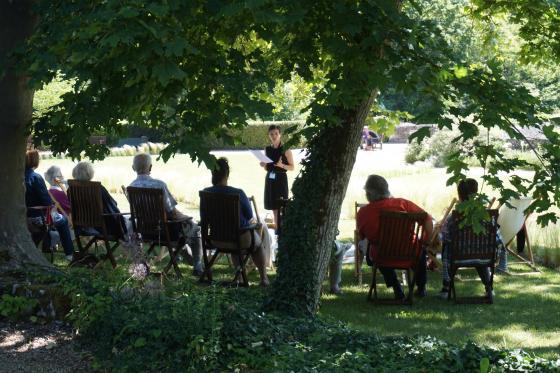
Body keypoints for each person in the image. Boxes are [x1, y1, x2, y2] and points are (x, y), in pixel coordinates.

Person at [357, 175, 433, 299]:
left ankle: (396, 287)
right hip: (408, 253)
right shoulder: (403, 204)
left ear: (369, 193)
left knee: (375, 252)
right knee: (420, 249)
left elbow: (363, 237)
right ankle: (421, 287)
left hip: (383, 256)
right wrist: (427, 239)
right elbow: (427, 218)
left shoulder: (364, 213)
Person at [129, 153, 204, 275]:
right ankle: (197, 267)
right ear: (150, 167)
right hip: (165, 232)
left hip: (145, 232)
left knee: (183, 232)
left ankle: (188, 259)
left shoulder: (131, 187)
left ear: (133, 168)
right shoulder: (159, 185)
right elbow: (173, 213)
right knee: (195, 228)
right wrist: (187, 217)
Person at [201, 157, 269, 286]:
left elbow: (204, 218)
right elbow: (250, 216)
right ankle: (263, 278)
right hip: (239, 240)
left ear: (213, 174)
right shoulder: (238, 193)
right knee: (257, 244)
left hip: (216, 239)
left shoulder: (205, 193)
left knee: (237, 236)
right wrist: (255, 225)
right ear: (227, 174)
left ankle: (240, 277)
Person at [439, 178, 506, 299]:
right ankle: (489, 287)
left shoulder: (453, 217)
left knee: (446, 247)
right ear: (476, 194)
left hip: (458, 257)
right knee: (480, 257)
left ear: (459, 195)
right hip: (482, 257)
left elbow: (445, 237)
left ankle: (446, 288)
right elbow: (497, 238)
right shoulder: (486, 215)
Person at [24, 150, 75, 261]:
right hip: (36, 217)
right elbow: (46, 202)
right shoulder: (35, 177)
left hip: (22, 215)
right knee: (63, 221)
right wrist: (53, 205)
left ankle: (48, 246)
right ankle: (70, 255)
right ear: (35, 161)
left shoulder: (17, 177)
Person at [71, 161, 128, 239]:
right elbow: (112, 204)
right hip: (102, 228)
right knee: (123, 220)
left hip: (82, 227)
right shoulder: (97, 188)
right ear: (89, 173)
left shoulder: (71, 189)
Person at [260, 125, 294, 232]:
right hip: (270, 179)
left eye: (276, 133)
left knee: (281, 205)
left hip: (281, 179)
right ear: (269, 135)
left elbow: (292, 167)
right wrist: (264, 164)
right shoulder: (267, 149)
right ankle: (277, 229)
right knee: (273, 206)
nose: (274, 136)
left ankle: (283, 229)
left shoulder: (286, 149)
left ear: (280, 134)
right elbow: (267, 168)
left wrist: (282, 166)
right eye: (271, 134)